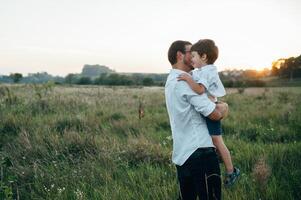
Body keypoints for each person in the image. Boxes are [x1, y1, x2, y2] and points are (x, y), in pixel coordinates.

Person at [165, 40, 228, 200]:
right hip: (200, 153)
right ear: (179, 55)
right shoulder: (184, 82)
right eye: (190, 52)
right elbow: (213, 114)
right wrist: (224, 107)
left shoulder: (171, 81)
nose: (194, 55)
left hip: (183, 154)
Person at [177, 39, 240, 187]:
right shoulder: (203, 71)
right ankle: (220, 160)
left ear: (203, 57)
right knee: (212, 140)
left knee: (217, 140)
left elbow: (199, 89)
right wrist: (191, 74)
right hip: (210, 108)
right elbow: (197, 78)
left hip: (212, 110)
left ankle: (232, 171)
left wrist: (187, 78)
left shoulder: (208, 72)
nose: (191, 59)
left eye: (194, 56)